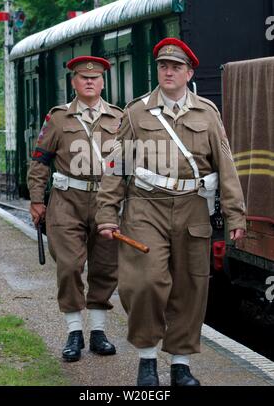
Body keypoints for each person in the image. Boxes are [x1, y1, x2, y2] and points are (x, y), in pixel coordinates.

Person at [96, 38, 246, 386]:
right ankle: (147, 359)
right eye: (163, 66)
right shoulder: (136, 112)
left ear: (189, 73)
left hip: (194, 208)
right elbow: (116, 165)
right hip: (146, 208)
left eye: (176, 67)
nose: (168, 71)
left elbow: (226, 164)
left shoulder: (207, 113)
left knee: (190, 286)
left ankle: (180, 363)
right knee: (144, 282)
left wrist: (236, 214)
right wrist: (106, 211)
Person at [27, 56, 122, 362]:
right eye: (83, 77)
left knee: (105, 267)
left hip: (106, 202)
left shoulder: (119, 119)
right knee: (68, 265)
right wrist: (37, 200)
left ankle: (97, 332)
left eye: (95, 78)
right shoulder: (58, 119)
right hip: (67, 202)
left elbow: (129, 165)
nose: (90, 81)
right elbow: (40, 161)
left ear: (103, 82)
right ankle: (73, 332)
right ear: (74, 82)